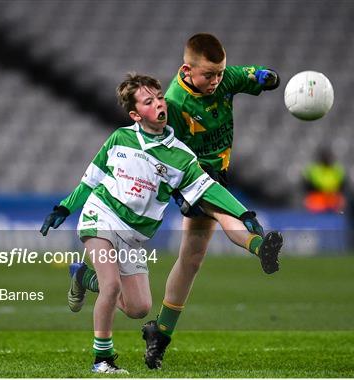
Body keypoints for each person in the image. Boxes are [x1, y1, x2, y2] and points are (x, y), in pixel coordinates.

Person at [40, 73, 283, 374]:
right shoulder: (120, 138)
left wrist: (245, 213)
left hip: (133, 236)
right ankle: (102, 359)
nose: (158, 104)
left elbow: (210, 189)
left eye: (158, 97)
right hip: (100, 216)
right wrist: (64, 207)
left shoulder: (181, 157)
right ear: (135, 114)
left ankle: (83, 277)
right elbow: (91, 181)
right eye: (148, 101)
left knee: (138, 308)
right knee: (112, 285)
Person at [141, 33, 284, 370]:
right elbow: (162, 149)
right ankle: (260, 246)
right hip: (191, 176)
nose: (216, 81)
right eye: (209, 75)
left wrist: (270, 78)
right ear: (187, 70)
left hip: (218, 171)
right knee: (226, 214)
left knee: (191, 258)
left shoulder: (224, 77)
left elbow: (258, 76)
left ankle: (159, 334)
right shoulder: (173, 103)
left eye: (219, 73)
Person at [302, 146, 346, 213]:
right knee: (311, 201)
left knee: (340, 201)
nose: (327, 159)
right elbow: (308, 186)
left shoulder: (337, 170)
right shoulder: (314, 170)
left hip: (333, 197)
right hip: (318, 197)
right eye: (325, 157)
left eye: (328, 157)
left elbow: (343, 185)